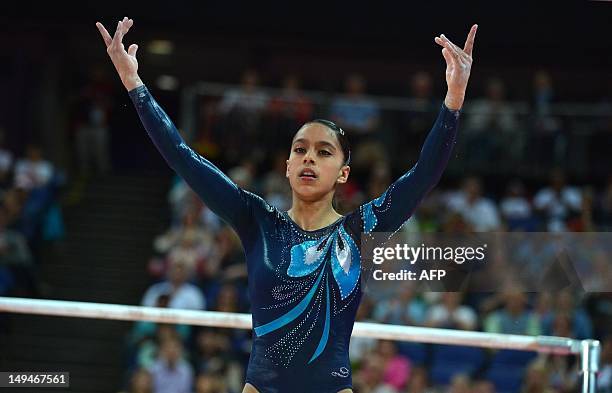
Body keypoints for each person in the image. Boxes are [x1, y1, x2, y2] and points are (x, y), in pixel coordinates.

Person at [96, 17, 477, 393]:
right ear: (288, 166)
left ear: (343, 173)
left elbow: (424, 174)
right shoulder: (256, 219)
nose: (309, 158)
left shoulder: (361, 229)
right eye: (300, 150)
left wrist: (453, 100)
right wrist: (135, 85)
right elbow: (182, 156)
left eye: (323, 151)